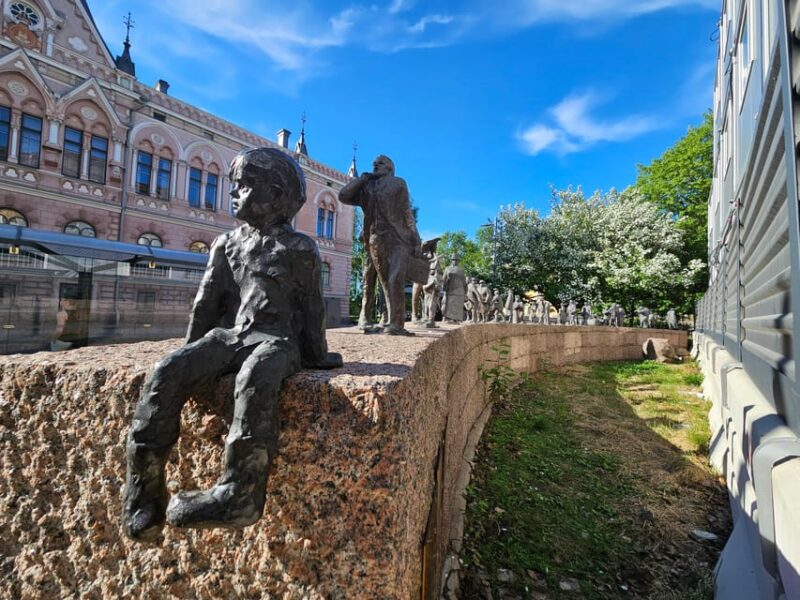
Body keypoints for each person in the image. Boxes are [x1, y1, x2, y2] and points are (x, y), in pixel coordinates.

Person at [122, 148, 343, 542]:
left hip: (278, 341)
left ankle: (239, 494)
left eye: (243, 186)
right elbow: (206, 303)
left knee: (257, 377)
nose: (233, 193)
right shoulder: (227, 244)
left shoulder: (300, 249)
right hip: (231, 336)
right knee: (165, 373)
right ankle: (144, 493)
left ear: (275, 194)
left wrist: (317, 355)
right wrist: (190, 357)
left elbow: (311, 308)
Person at [339, 155, 426, 335]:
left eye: (380, 163)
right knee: (385, 283)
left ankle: (397, 324)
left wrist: (416, 240)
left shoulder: (398, 183)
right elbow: (343, 196)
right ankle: (390, 322)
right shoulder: (366, 187)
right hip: (376, 240)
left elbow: (406, 213)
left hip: (398, 238)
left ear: (390, 168)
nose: (375, 165)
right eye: (374, 163)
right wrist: (362, 179)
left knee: (395, 279)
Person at [442, 254, 468, 323]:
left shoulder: (461, 269)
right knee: (449, 304)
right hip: (450, 289)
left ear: (458, 261)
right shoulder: (447, 268)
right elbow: (444, 280)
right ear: (451, 260)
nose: (455, 261)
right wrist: (443, 289)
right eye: (453, 259)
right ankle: (448, 318)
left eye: (456, 260)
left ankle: (456, 319)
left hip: (460, 290)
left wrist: (465, 292)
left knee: (457, 305)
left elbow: (464, 281)